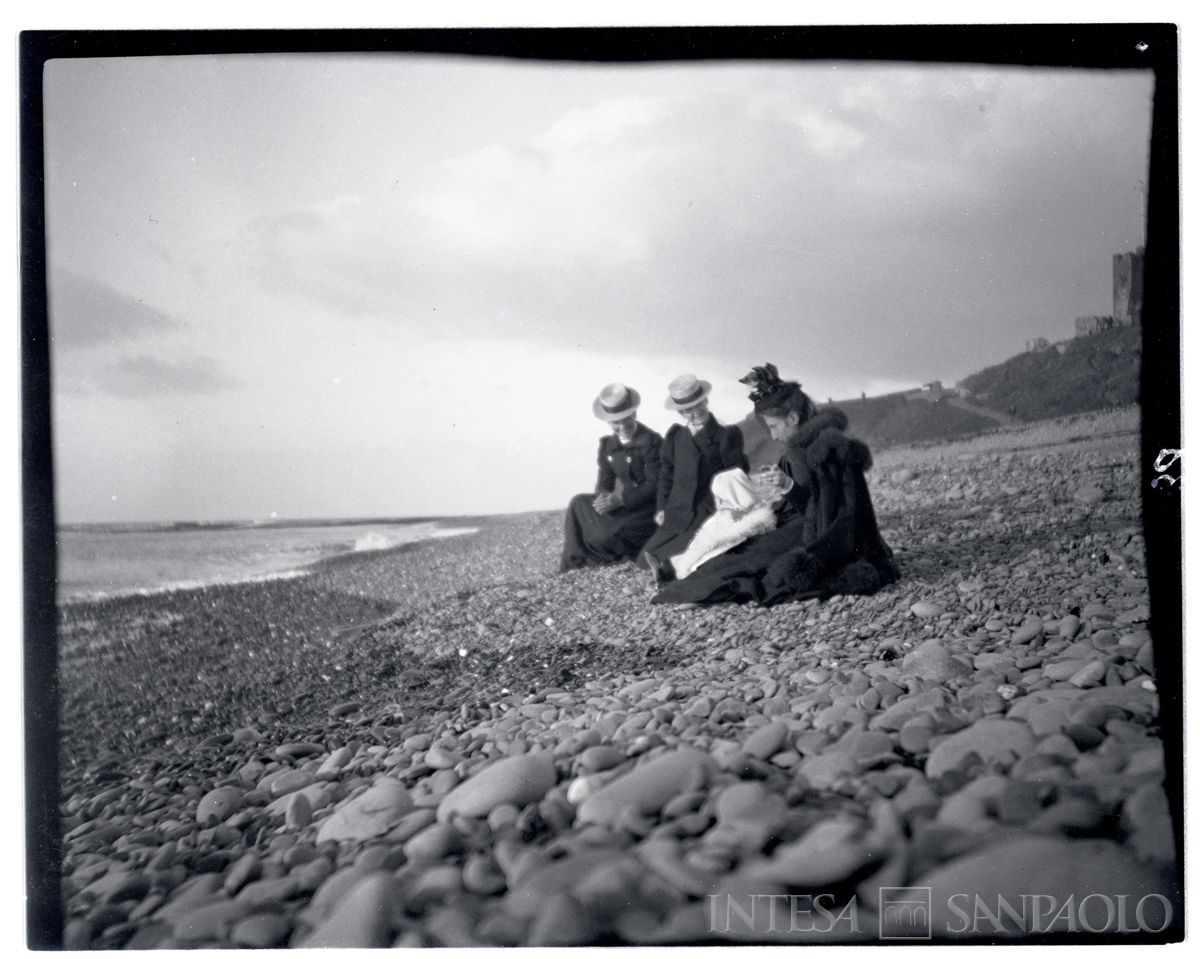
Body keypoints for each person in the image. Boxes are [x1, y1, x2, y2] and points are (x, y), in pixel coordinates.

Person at [651, 363, 899, 606]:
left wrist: (788, 486)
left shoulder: (827, 450)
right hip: (803, 522)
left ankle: (687, 586)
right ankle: (677, 572)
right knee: (742, 544)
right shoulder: (802, 446)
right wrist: (785, 490)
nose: (773, 436)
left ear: (792, 417)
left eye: (773, 426)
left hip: (822, 535)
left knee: (749, 558)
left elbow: (830, 513)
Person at [639, 373, 749, 576]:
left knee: (683, 551)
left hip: (707, 508)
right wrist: (662, 507)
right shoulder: (676, 437)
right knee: (645, 557)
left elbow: (736, 475)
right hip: (678, 509)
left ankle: (671, 569)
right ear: (680, 411)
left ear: (706, 401)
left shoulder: (725, 435)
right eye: (687, 409)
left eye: (698, 404)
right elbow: (667, 475)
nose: (695, 412)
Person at [560, 383, 663, 572]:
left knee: (605, 535)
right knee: (578, 503)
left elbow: (655, 485)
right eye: (616, 422)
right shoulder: (608, 446)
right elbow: (605, 481)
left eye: (626, 419)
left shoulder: (651, 442)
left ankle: (602, 557)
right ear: (608, 422)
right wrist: (602, 498)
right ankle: (572, 564)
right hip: (621, 506)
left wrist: (620, 500)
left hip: (645, 509)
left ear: (634, 414)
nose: (622, 426)